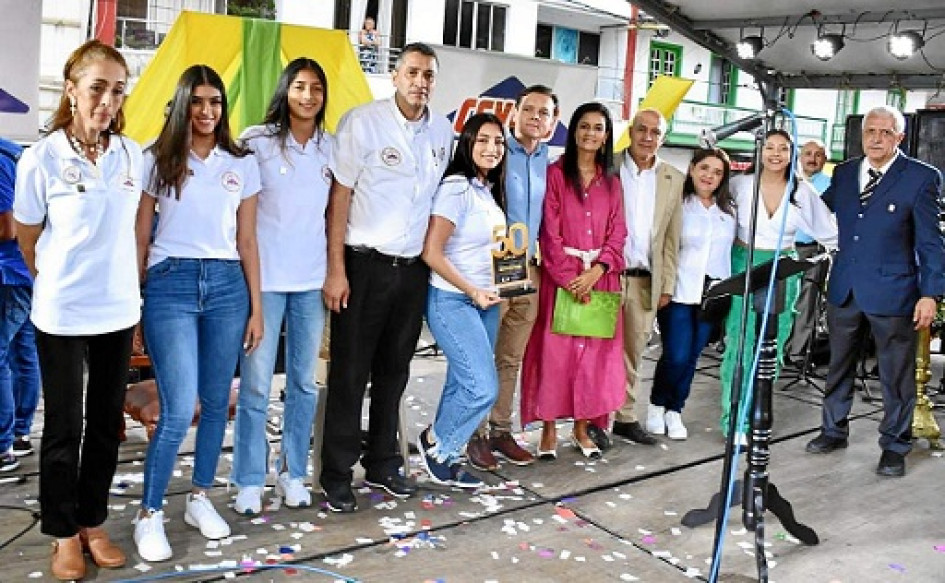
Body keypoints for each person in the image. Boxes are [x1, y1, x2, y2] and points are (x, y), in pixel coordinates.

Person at [14, 39, 141, 580]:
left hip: (117, 310)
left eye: (116, 90)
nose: (107, 101)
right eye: (97, 88)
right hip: (62, 311)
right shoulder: (41, 158)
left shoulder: (132, 154)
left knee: (105, 423)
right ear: (71, 89)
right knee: (64, 425)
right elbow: (27, 238)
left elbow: (136, 231)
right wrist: (57, 280)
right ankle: (62, 531)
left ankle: (92, 520)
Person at [133, 64, 262, 562]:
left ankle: (199, 497)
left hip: (228, 286)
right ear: (183, 102)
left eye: (216, 102)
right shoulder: (156, 158)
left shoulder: (241, 161)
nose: (207, 111)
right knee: (179, 405)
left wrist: (256, 306)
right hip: (171, 284)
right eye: (199, 101)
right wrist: (137, 300)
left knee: (213, 401)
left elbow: (247, 239)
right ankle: (149, 514)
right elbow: (141, 237)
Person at [321, 42, 452, 512]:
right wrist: (336, 268)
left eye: (429, 75)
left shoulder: (443, 130)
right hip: (363, 266)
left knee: (395, 373)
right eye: (413, 73)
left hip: (412, 271)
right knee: (350, 374)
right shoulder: (363, 122)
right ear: (395, 76)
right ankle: (336, 474)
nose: (421, 82)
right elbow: (339, 198)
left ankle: (382, 463)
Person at [806, 105, 945, 477]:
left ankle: (895, 446)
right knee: (838, 366)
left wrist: (931, 293)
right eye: (871, 131)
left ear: (900, 138)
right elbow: (819, 214)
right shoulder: (846, 172)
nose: (877, 139)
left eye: (886, 133)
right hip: (845, 289)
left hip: (895, 293)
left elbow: (931, 243)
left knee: (895, 375)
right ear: (862, 134)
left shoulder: (921, 177)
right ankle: (832, 430)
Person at [231, 58, 332, 515]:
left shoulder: (332, 149)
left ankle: (292, 472)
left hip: (312, 283)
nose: (308, 96)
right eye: (299, 87)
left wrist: (335, 271)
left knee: (303, 385)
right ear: (285, 91)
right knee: (254, 385)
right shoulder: (256, 142)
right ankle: (250, 478)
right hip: (264, 283)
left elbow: (335, 217)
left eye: (315, 88)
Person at [520, 101, 628, 460]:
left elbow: (618, 233)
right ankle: (548, 429)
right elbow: (548, 233)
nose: (590, 134)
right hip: (560, 280)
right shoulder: (554, 174)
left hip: (601, 280)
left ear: (607, 135)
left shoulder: (612, 182)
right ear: (573, 130)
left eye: (598, 128)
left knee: (592, 358)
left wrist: (597, 271)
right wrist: (570, 279)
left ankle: (582, 428)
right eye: (584, 126)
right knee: (555, 355)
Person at [720, 129, 837, 440]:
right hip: (743, 263)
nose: (775, 154)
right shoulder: (740, 185)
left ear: (791, 153)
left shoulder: (802, 190)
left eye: (782, 148)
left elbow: (830, 233)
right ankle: (734, 421)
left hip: (783, 268)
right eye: (769, 147)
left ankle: (756, 409)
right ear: (759, 151)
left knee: (772, 344)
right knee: (741, 341)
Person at [465, 84, 559, 471]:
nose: (536, 117)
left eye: (544, 113)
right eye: (530, 110)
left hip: (530, 269)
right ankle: (475, 433)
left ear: (552, 122)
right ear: (514, 114)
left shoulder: (548, 161)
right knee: (481, 354)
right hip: (492, 266)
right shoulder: (495, 152)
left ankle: (502, 430)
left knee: (510, 356)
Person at [418, 112, 507, 487]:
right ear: (467, 143)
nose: (492, 148)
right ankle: (436, 442)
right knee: (483, 387)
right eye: (483, 140)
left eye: (499, 142)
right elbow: (432, 252)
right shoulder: (456, 187)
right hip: (453, 300)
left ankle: (447, 456)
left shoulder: (485, 189)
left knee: (461, 382)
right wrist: (472, 289)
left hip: (486, 301)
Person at [648, 148, 735, 440]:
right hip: (679, 290)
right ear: (693, 169)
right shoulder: (678, 204)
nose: (710, 176)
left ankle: (676, 410)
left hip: (713, 294)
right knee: (676, 354)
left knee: (692, 356)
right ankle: (657, 405)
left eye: (717, 172)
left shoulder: (728, 211)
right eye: (705, 168)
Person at [611, 107, 684, 446]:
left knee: (633, 352)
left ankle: (625, 418)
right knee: (597, 350)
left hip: (644, 281)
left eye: (655, 132)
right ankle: (592, 420)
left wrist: (666, 286)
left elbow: (671, 238)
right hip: (606, 276)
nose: (647, 137)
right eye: (642, 129)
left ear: (663, 138)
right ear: (631, 130)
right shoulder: (608, 166)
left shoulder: (673, 178)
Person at [0, 137, 39, 472]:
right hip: (25, 272)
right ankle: (20, 435)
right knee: (23, 354)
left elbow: (7, 227)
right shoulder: (15, 152)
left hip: (8, 273)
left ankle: (3, 445)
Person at [785, 139, 831, 366]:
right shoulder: (789, 181)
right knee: (784, 299)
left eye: (818, 155)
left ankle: (797, 352)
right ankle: (778, 348)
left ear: (825, 159)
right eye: (808, 154)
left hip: (814, 249)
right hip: (786, 249)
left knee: (806, 302)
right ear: (800, 157)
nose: (812, 159)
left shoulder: (830, 185)